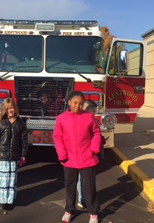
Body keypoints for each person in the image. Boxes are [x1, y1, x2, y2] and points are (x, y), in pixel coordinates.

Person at [53, 91, 101, 223]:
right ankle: (69, 210)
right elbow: (57, 137)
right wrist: (62, 153)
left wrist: (94, 148)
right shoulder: (61, 118)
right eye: (75, 103)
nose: (78, 106)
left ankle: (93, 213)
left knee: (89, 186)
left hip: (87, 158)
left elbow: (96, 132)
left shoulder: (88, 117)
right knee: (70, 186)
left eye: (80, 104)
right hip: (69, 159)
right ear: (69, 102)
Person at [0, 98, 28, 211]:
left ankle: (9, 199)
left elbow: (24, 142)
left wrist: (23, 155)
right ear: (4, 110)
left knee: (10, 180)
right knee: (2, 180)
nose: (9, 110)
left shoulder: (20, 124)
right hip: (2, 156)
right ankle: (2, 200)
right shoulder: (0, 123)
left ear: (15, 109)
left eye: (11, 108)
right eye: (7, 109)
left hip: (14, 157)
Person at [77, 100, 98, 209]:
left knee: (86, 178)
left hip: (89, 154)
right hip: (82, 154)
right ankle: (82, 198)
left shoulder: (92, 120)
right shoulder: (82, 121)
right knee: (81, 178)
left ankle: (85, 197)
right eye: (93, 111)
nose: (95, 113)